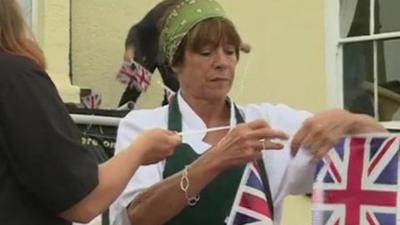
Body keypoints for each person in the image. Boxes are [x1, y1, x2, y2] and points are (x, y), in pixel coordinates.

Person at [110, 0, 387, 225]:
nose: (222, 63)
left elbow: (379, 166)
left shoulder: (270, 124)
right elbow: (138, 216)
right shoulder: (143, 128)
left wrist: (354, 121)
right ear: (174, 63)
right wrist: (217, 159)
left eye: (230, 52)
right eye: (206, 52)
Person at [0, 0, 181, 224]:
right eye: (205, 52)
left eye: (230, 52)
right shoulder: (15, 78)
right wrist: (141, 149)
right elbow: (82, 200)